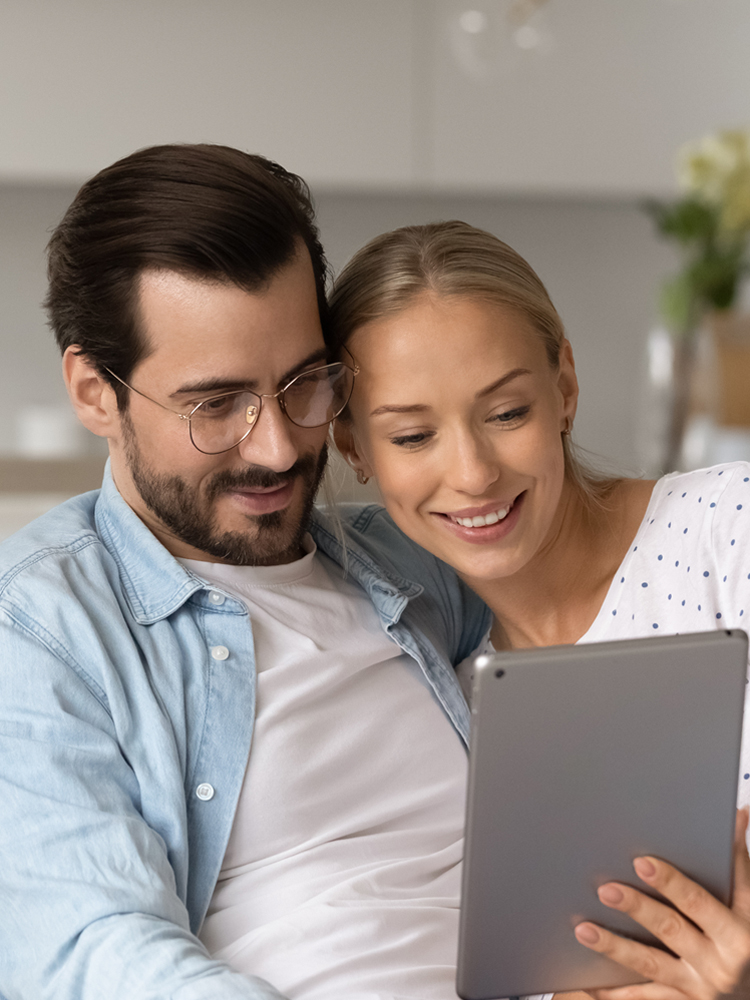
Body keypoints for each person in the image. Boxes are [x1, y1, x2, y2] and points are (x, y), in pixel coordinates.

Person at [0, 147, 490, 999]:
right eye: (215, 405)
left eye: (304, 383)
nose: (278, 447)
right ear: (93, 391)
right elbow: (89, 951)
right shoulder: (42, 626)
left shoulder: (420, 557)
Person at [329, 219, 750, 1000]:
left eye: (506, 414)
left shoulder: (730, 531)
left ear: (564, 389)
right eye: (414, 435)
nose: (473, 472)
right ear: (355, 448)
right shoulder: (439, 697)